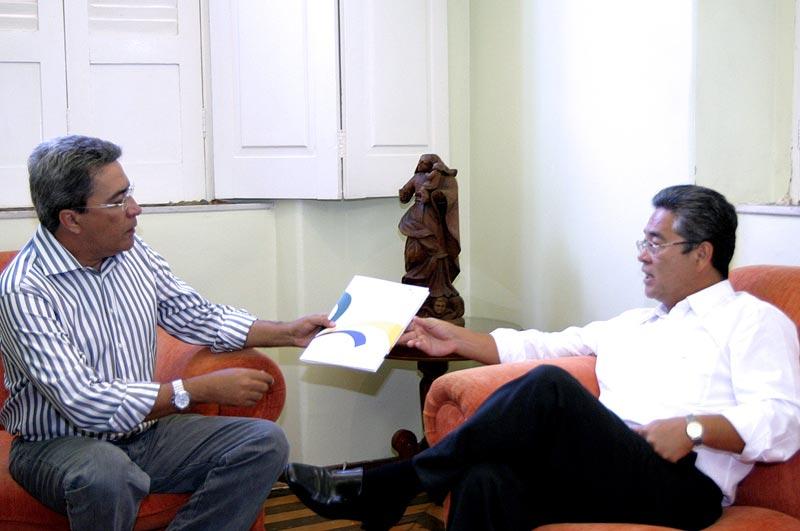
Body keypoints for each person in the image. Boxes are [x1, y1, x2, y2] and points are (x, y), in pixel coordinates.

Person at [284, 184, 800, 530]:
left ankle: (391, 487)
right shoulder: (637, 323)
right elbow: (546, 345)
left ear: (702, 253)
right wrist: (456, 340)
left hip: (683, 485)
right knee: (484, 481)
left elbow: (782, 421)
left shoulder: (752, 321)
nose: (642, 254)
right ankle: (392, 491)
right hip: (604, 467)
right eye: (642, 241)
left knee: (549, 386)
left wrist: (693, 428)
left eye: (656, 243)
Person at [0, 135, 334, 531]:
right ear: (71, 219)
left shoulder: (132, 253)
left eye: (130, 193)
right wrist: (194, 390)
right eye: (118, 201)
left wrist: (289, 333)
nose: (135, 209)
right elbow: (84, 402)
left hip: (144, 434)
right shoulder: (24, 289)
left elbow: (195, 315)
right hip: (55, 447)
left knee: (264, 442)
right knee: (106, 472)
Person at [398, 154, 464, 324]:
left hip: (433, 223)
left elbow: (449, 197)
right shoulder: (417, 178)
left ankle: (437, 292)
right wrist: (404, 192)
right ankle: (414, 288)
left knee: (436, 254)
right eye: (419, 162)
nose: (420, 165)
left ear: (433, 164)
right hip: (414, 221)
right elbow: (405, 195)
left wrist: (436, 195)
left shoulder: (445, 179)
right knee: (414, 254)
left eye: (424, 162)